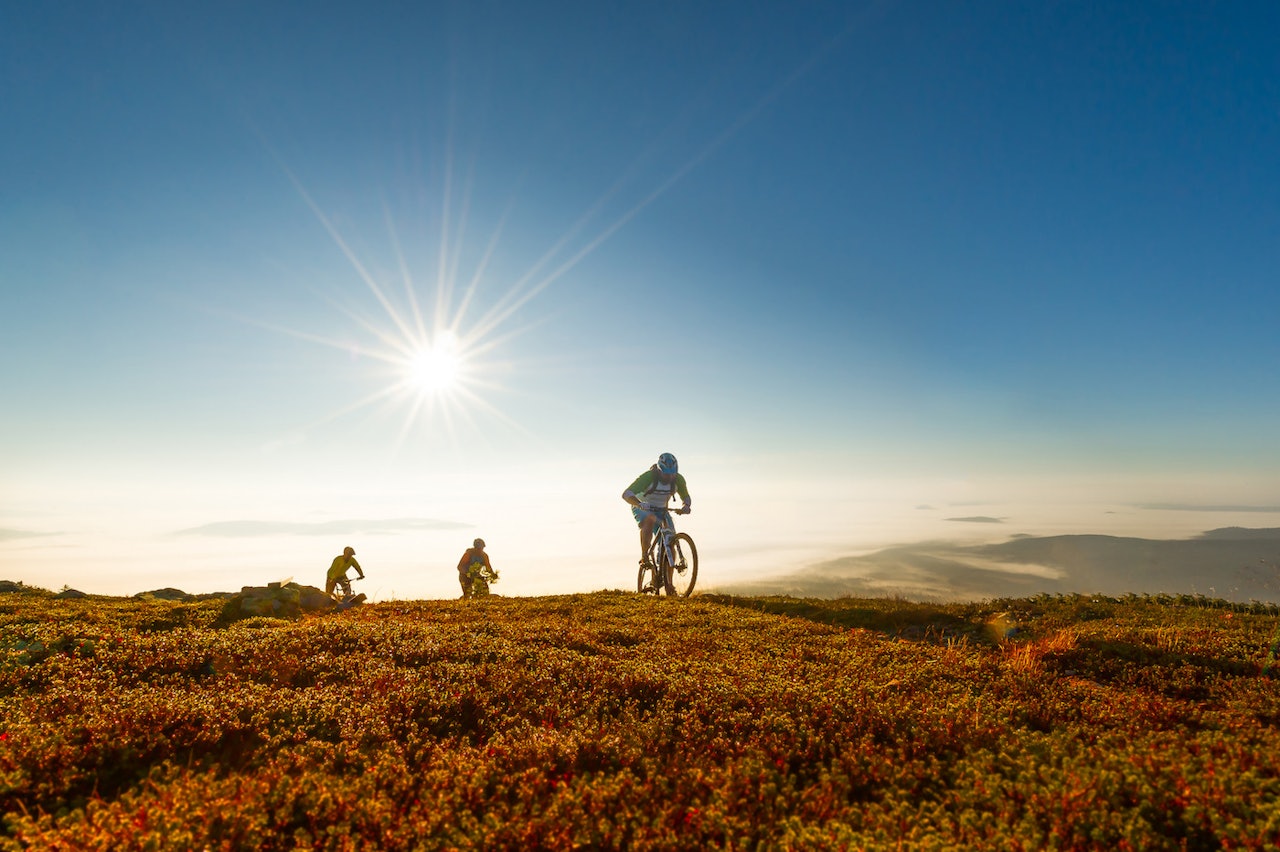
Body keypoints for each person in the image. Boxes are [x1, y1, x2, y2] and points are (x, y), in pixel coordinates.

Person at [622, 452, 691, 589]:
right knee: (650, 519)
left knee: (670, 542)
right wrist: (639, 503)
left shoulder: (678, 479)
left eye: (673, 473)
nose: (670, 476)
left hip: (662, 510)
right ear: (659, 471)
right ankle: (645, 557)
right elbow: (626, 494)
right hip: (642, 507)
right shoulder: (648, 477)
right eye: (666, 473)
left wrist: (686, 506)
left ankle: (668, 584)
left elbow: (686, 497)